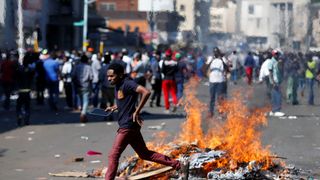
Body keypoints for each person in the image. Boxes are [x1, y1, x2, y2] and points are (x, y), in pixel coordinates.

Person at [104, 63, 181, 180]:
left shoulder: (128, 83)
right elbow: (125, 100)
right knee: (144, 154)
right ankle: (177, 164)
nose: (109, 79)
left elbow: (146, 92)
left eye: (112, 76)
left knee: (113, 155)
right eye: (108, 76)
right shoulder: (118, 83)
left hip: (127, 126)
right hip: (132, 126)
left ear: (120, 75)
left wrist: (137, 111)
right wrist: (115, 106)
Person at [72, 54, 93, 123]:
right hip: (86, 85)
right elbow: (91, 77)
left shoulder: (76, 67)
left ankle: (83, 113)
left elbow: (73, 76)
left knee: (81, 100)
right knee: (86, 100)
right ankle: (83, 113)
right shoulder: (89, 67)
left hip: (78, 85)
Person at [15, 54, 35, 126]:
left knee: (19, 106)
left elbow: (15, 78)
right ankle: (26, 119)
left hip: (21, 90)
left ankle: (19, 115)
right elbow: (32, 77)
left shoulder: (19, 70)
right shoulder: (30, 71)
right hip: (27, 90)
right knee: (27, 106)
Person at [268, 50, 285, 117]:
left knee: (275, 95)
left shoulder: (277, 62)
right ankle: (276, 110)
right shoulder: (271, 62)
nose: (276, 55)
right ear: (273, 55)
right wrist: (273, 82)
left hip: (278, 81)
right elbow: (270, 73)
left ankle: (273, 110)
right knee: (277, 95)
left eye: (277, 54)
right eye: (275, 54)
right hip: (274, 81)